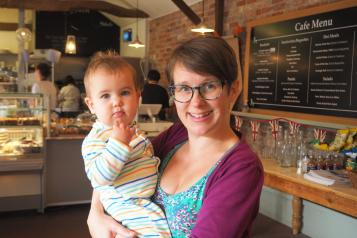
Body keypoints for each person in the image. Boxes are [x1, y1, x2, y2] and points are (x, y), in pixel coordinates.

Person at [87, 36, 264, 238]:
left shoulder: (240, 168)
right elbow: (117, 168)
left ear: (233, 90)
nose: (196, 102)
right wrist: (95, 214)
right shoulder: (176, 134)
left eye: (209, 86)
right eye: (184, 88)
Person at [82, 51, 171, 237]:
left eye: (124, 92)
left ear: (138, 97)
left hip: (142, 200)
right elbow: (99, 178)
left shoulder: (131, 127)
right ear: (91, 105)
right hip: (125, 204)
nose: (117, 102)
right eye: (105, 96)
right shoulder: (96, 139)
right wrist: (118, 143)